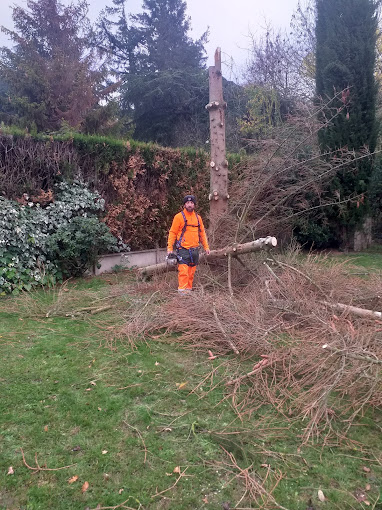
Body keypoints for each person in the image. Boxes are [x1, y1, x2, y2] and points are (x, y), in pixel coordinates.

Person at [167, 195, 210, 292]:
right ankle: (182, 294)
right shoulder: (178, 217)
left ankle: (188, 293)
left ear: (194, 205)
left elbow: (202, 233)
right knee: (183, 273)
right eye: (187, 203)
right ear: (184, 205)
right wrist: (170, 248)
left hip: (195, 250)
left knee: (191, 274)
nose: (189, 205)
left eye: (191, 203)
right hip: (183, 250)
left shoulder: (198, 218)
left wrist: (206, 247)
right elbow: (172, 233)